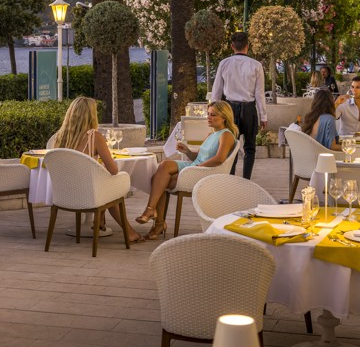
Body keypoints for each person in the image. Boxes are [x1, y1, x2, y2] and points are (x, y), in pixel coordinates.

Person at [135, 101, 238, 239]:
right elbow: (201, 156)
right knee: (164, 167)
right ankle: (152, 213)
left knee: (159, 181)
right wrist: (188, 151)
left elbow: (219, 159)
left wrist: (198, 167)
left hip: (202, 173)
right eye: (208, 114)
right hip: (194, 167)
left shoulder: (226, 135)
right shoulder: (210, 135)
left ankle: (156, 220)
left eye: (213, 115)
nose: (209, 117)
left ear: (224, 117)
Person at [51, 96, 146, 244]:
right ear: (91, 115)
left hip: (64, 193)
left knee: (103, 185)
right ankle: (128, 231)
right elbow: (113, 170)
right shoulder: (94, 137)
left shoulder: (59, 137)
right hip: (89, 194)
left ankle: (101, 220)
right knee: (112, 189)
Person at [209, 31, 267, 180]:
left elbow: (216, 91)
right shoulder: (256, 65)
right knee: (249, 148)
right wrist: (263, 116)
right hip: (249, 109)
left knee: (231, 147)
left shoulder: (224, 63)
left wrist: (213, 112)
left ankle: (231, 179)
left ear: (232, 46)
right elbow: (260, 94)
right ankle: (246, 180)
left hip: (229, 110)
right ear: (248, 46)